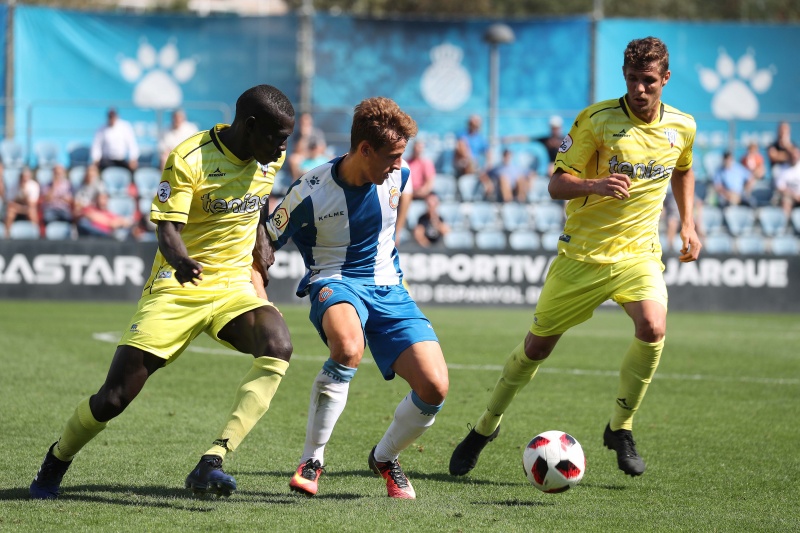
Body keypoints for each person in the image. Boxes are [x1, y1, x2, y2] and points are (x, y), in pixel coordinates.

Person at [449, 36, 702, 480]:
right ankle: (485, 426)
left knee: (653, 326)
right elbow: (556, 183)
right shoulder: (597, 121)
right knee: (536, 348)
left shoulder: (682, 126)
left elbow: (683, 167)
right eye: (631, 80)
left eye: (648, 81)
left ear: (665, 79)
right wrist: (595, 185)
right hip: (581, 256)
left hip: (637, 255)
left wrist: (688, 223)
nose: (639, 89)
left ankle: (620, 427)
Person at [30, 84, 296, 500]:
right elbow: (167, 228)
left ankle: (213, 460)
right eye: (277, 138)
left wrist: (261, 237)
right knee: (114, 398)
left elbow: (257, 202)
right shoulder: (190, 158)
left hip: (232, 287)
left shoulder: (267, 160)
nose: (283, 149)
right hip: (178, 286)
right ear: (250, 126)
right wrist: (181, 261)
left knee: (278, 344)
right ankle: (57, 459)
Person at [264, 97, 448, 500]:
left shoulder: (400, 176)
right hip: (334, 281)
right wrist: (256, 296)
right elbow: (266, 242)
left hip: (389, 288)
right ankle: (312, 459)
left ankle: (384, 458)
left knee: (435, 387)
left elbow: (396, 218)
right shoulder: (309, 191)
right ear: (364, 149)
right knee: (348, 347)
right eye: (392, 156)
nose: (399, 165)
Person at [767, 121, 800, 217]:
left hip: (795, 188)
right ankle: (785, 226)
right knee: (785, 200)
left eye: (785, 131)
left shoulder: (792, 145)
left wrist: (787, 146)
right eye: (781, 130)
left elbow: (795, 155)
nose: (783, 133)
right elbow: (773, 156)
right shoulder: (773, 146)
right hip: (779, 185)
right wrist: (789, 155)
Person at [4, 166, 40, 238]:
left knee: (32, 212)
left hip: (26, 209)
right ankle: (7, 236)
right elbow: (10, 203)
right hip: (17, 209)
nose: (24, 179)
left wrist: (25, 194)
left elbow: (32, 205)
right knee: (10, 212)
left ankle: (37, 235)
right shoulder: (13, 185)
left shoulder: (34, 186)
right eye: (22, 177)